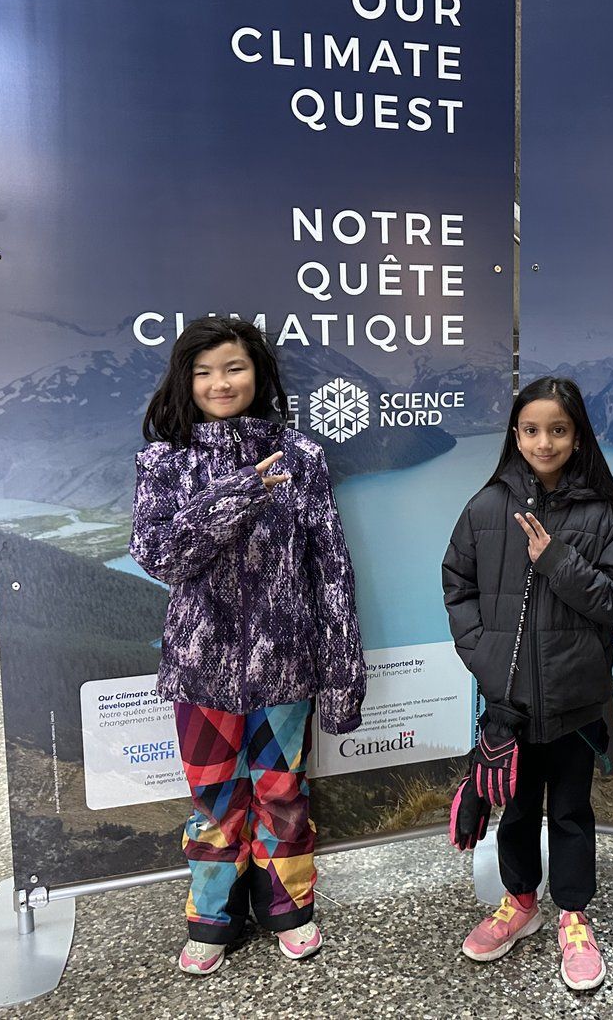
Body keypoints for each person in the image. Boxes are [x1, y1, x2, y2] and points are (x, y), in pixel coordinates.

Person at [129, 316, 366, 977]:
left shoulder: (304, 456)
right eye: (203, 371)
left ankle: (289, 907)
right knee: (212, 799)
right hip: (198, 668)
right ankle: (212, 916)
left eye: (232, 366)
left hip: (285, 665)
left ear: (257, 372)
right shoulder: (164, 459)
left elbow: (332, 566)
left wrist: (345, 666)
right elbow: (161, 554)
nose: (219, 382)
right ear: (185, 381)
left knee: (284, 792)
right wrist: (242, 490)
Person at [443, 376, 613, 992]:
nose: (544, 442)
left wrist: (557, 562)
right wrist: (484, 654)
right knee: (519, 810)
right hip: (510, 705)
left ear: (577, 435)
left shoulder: (601, 515)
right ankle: (520, 904)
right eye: (531, 430)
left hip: (578, 703)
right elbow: (458, 585)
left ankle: (574, 916)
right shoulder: (485, 506)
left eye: (558, 429)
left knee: (574, 812)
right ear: (515, 434)